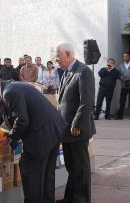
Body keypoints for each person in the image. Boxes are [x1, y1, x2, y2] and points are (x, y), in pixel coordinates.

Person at [0, 75, 66, 203]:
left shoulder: (9, 92)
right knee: (46, 174)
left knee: (30, 170)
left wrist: (10, 138)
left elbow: (21, 120)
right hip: (52, 132)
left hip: (41, 134)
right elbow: (4, 114)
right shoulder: (11, 87)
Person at [56, 42, 95, 203]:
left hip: (77, 129)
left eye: (59, 57)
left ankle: (81, 199)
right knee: (72, 167)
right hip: (67, 130)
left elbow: (86, 102)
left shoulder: (83, 71)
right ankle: (70, 198)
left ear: (68, 54)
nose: (56, 60)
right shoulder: (67, 71)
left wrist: (77, 123)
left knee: (81, 168)